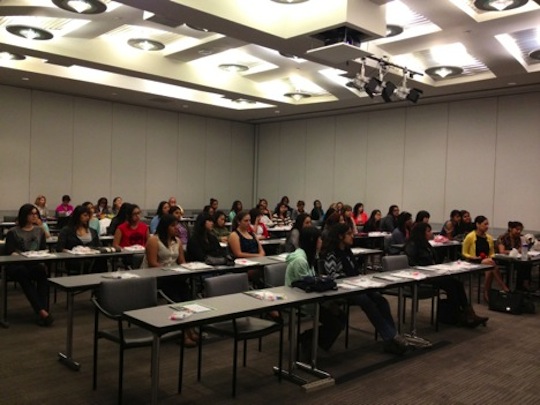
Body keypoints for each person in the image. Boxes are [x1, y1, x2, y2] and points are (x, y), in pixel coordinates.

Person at [321, 224, 409, 355]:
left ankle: (391, 337)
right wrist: (351, 280)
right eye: (349, 234)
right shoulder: (331, 254)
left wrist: (361, 280)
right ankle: (391, 337)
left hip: (355, 286)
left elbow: (354, 271)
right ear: (340, 237)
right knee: (366, 301)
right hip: (341, 290)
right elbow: (331, 276)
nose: (353, 236)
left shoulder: (347, 251)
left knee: (381, 300)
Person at [405, 222, 488, 328]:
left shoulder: (426, 244)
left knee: (457, 283)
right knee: (451, 285)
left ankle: (468, 313)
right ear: (421, 233)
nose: (431, 233)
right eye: (428, 231)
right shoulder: (412, 245)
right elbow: (412, 264)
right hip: (422, 276)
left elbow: (434, 260)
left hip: (433, 273)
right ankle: (459, 315)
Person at [285, 227, 345, 358]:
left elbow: (312, 282)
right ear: (312, 241)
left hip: (311, 297)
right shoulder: (300, 260)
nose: (321, 241)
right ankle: (307, 339)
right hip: (300, 301)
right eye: (319, 239)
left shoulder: (309, 255)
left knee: (341, 317)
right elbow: (307, 286)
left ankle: (310, 340)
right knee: (335, 323)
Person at [142, 214, 197, 346]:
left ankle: (190, 328)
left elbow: (182, 261)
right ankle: (184, 333)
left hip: (173, 276)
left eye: (176, 225)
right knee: (176, 297)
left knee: (187, 294)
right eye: (173, 225)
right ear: (165, 227)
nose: (176, 228)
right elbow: (152, 263)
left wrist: (190, 267)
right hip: (157, 277)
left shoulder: (177, 241)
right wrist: (171, 270)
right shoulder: (154, 240)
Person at [4, 204, 53, 326]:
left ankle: (42, 310)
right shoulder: (13, 232)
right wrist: (20, 256)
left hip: (33, 263)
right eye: (32, 214)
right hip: (16, 265)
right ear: (24, 215)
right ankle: (42, 311)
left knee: (41, 271)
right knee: (22, 272)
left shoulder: (39, 231)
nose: (34, 216)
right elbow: (10, 252)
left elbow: (43, 249)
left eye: (36, 214)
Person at [462, 215, 509, 302]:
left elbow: (492, 253)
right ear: (478, 225)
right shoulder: (470, 236)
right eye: (485, 224)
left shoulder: (489, 238)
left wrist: (489, 257)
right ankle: (503, 287)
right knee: (491, 264)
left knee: (490, 267)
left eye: (488, 224)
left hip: (486, 260)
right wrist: (473, 257)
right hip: (473, 260)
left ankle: (486, 293)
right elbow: (464, 253)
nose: (487, 226)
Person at [57, 205, 107, 273]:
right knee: (87, 263)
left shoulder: (93, 231)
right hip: (74, 259)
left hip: (91, 257)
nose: (87, 218)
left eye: (88, 216)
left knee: (102, 260)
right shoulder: (66, 230)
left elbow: (98, 246)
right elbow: (60, 248)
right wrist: (72, 252)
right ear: (77, 216)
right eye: (85, 215)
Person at [229, 211, 265, 287]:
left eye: (249, 220)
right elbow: (238, 254)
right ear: (239, 222)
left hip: (257, 262)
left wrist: (260, 255)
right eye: (246, 221)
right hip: (243, 265)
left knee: (268, 269)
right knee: (259, 272)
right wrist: (257, 256)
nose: (248, 223)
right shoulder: (234, 235)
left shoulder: (252, 234)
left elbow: (261, 250)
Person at [497, 221, 531, 291]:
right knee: (517, 266)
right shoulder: (502, 237)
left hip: (515, 259)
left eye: (520, 230)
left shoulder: (519, 238)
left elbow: (522, 248)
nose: (519, 232)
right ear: (510, 229)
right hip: (503, 259)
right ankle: (509, 288)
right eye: (517, 229)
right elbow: (502, 251)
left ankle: (521, 287)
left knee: (527, 264)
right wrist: (515, 251)